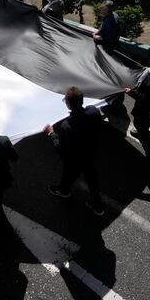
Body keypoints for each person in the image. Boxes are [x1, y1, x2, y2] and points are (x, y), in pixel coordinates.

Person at [43, 86, 105, 216]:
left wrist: (52, 134)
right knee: (92, 180)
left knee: (69, 174)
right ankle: (97, 205)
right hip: (90, 153)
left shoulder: (67, 126)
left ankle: (64, 191)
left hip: (75, 159)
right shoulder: (93, 111)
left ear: (68, 104)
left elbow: (61, 148)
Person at [126, 53, 150, 156]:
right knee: (145, 124)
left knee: (140, 125)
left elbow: (142, 97)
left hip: (143, 109)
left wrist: (130, 91)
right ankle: (142, 133)